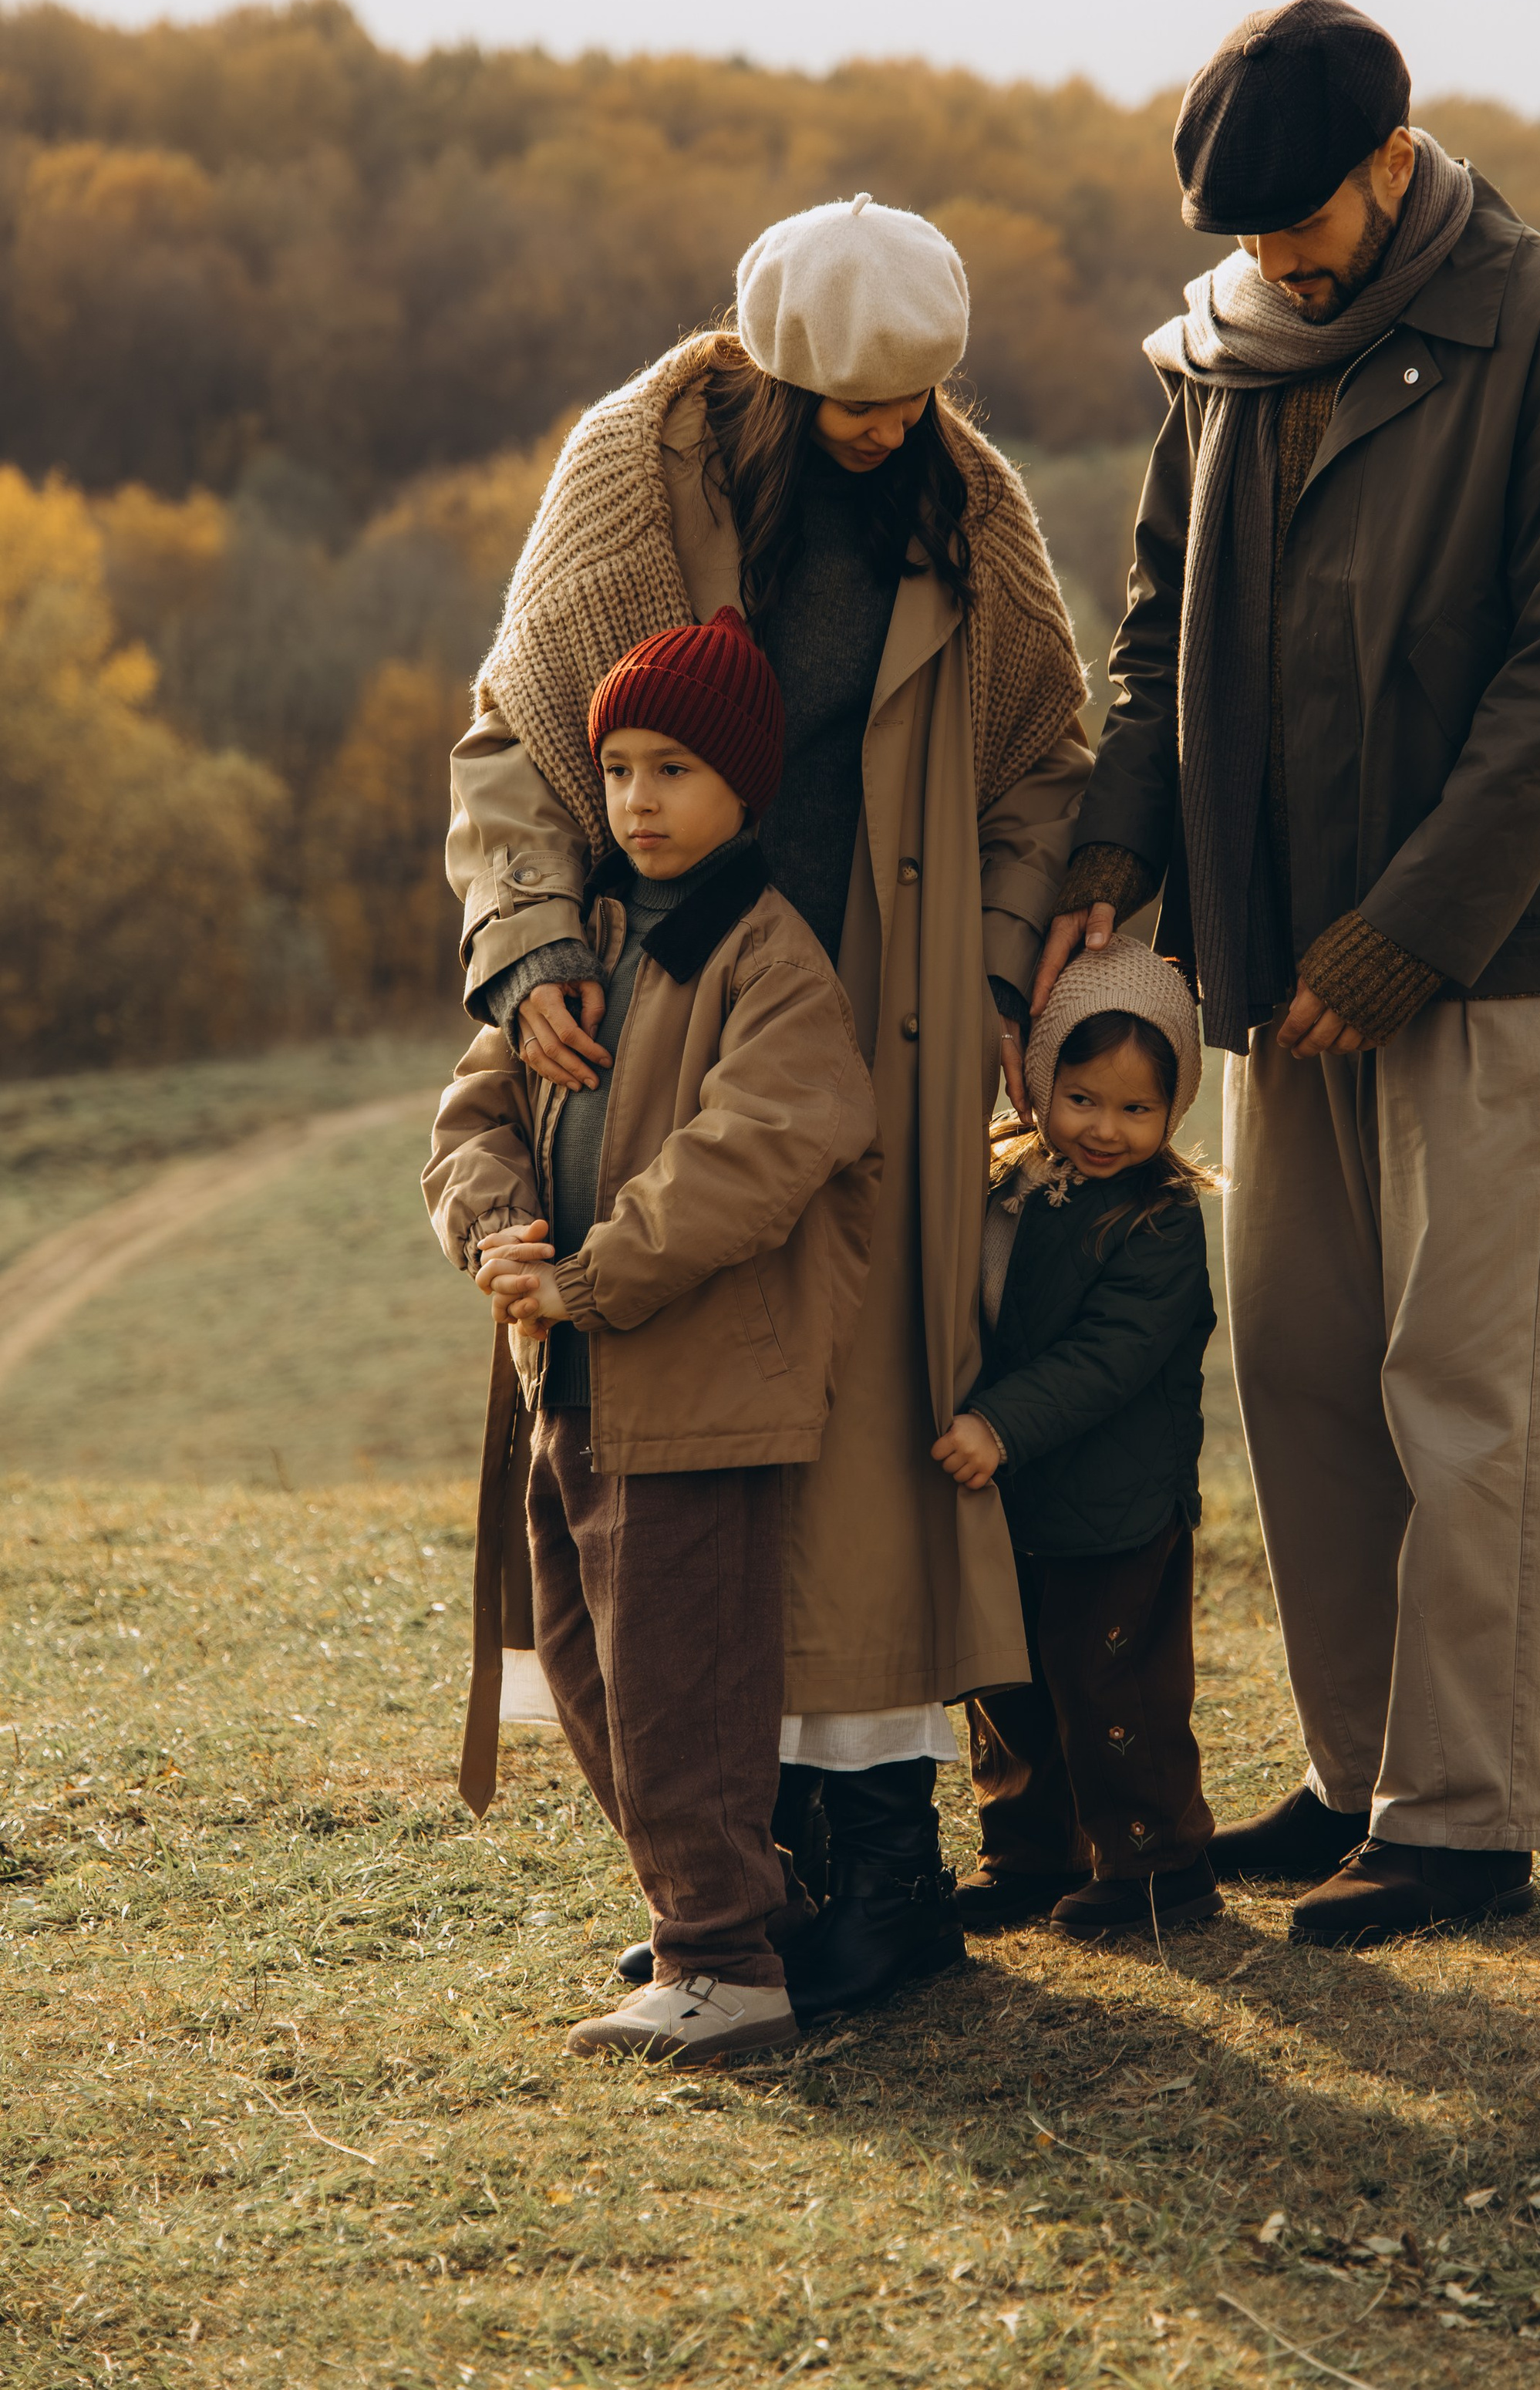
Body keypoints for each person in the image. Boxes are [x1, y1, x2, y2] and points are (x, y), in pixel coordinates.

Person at [1032, 0, 1540, 1942]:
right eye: (1240, 237)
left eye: (1295, 225)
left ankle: (1464, 1817)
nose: (1267, 265)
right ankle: (1350, 1779)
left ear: (1394, 165)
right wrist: (1122, 845)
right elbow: (1153, 627)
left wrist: (1399, 939)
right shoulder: (1219, 355)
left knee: (1463, 1386)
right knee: (1305, 1366)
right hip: (1263, 964)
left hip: (1477, 964)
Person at [444, 194, 1093, 2016]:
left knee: (874, 1438)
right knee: (684, 1448)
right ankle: (737, 1873)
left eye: (908, 404)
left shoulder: (975, 508)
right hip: (658, 1004)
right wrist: (527, 942)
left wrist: (982, 979)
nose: (881, 434)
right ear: (760, 367)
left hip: (880, 1034)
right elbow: (515, 736)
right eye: (842, 406)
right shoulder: (623, 472)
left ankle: (883, 1871)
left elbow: (1043, 759)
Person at [426, 609, 881, 2065]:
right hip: (568, 1383)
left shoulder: (771, 960)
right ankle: (733, 1909)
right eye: (617, 768)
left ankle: (723, 1963)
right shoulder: (583, 949)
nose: (636, 800)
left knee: (683, 1678)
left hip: (695, 1385)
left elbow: (762, 1148)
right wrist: (496, 1234)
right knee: (582, 1666)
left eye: (672, 769)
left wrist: (598, 1274)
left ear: (745, 787)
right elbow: (473, 1118)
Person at [935, 936, 1221, 1937]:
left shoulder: (1159, 1222)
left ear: (1174, 1108)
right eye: (1084, 1098)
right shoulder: (1008, 1185)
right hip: (1014, 1499)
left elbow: (1108, 1356)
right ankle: (1028, 1854)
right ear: (1042, 1081)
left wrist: (999, 1425)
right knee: (1005, 1680)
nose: (1107, 1128)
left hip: (1116, 1504)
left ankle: (1158, 1865)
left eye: (1138, 1108)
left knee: (1112, 1683)